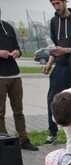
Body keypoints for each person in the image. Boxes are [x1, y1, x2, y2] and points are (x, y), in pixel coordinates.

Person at [0, 16, 37, 151]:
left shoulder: (7, 27)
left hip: (14, 75)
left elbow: (17, 48)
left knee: (19, 111)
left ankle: (23, 140)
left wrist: (18, 52)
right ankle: (4, 142)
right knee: (0, 112)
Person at [44, 0, 71, 144]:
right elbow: (54, 47)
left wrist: (65, 50)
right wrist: (49, 63)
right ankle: (52, 133)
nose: (56, 6)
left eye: (58, 3)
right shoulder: (54, 21)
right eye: (53, 4)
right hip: (60, 67)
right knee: (52, 99)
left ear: (65, 1)